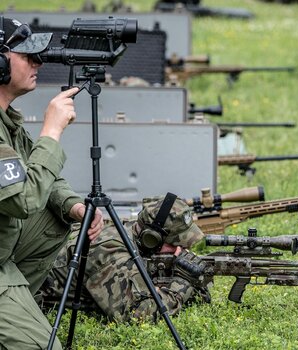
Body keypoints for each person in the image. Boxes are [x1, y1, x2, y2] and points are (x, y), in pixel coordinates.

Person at [0, 17, 104, 349]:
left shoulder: (7, 120)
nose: (38, 63)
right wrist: (52, 131)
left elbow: (41, 176)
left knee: (56, 214)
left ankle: (17, 309)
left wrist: (73, 205)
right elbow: (24, 200)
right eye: (27, 56)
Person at [38, 195, 211, 323]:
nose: (181, 249)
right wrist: (182, 283)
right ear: (151, 239)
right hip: (34, 298)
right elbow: (136, 315)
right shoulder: (111, 250)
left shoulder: (136, 237)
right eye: (175, 243)